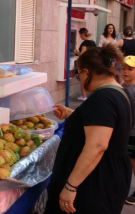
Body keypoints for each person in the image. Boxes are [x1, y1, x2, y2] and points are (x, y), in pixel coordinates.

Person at [44, 44, 132, 214]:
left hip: (95, 181)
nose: (80, 79)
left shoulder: (103, 98)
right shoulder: (119, 92)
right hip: (109, 174)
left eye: (78, 74)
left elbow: (97, 146)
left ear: (87, 72)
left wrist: (70, 186)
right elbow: (105, 124)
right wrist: (73, 115)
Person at [121, 55, 135, 205]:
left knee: (133, 163)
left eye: (130, 69)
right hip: (123, 133)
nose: (125, 72)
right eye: (123, 68)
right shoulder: (121, 86)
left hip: (133, 134)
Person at [74, 28, 96, 101]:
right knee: (90, 80)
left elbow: (82, 54)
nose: (80, 36)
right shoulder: (93, 42)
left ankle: (84, 97)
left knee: (83, 80)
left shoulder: (85, 43)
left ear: (83, 34)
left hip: (84, 63)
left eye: (80, 34)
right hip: (91, 63)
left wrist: (76, 52)